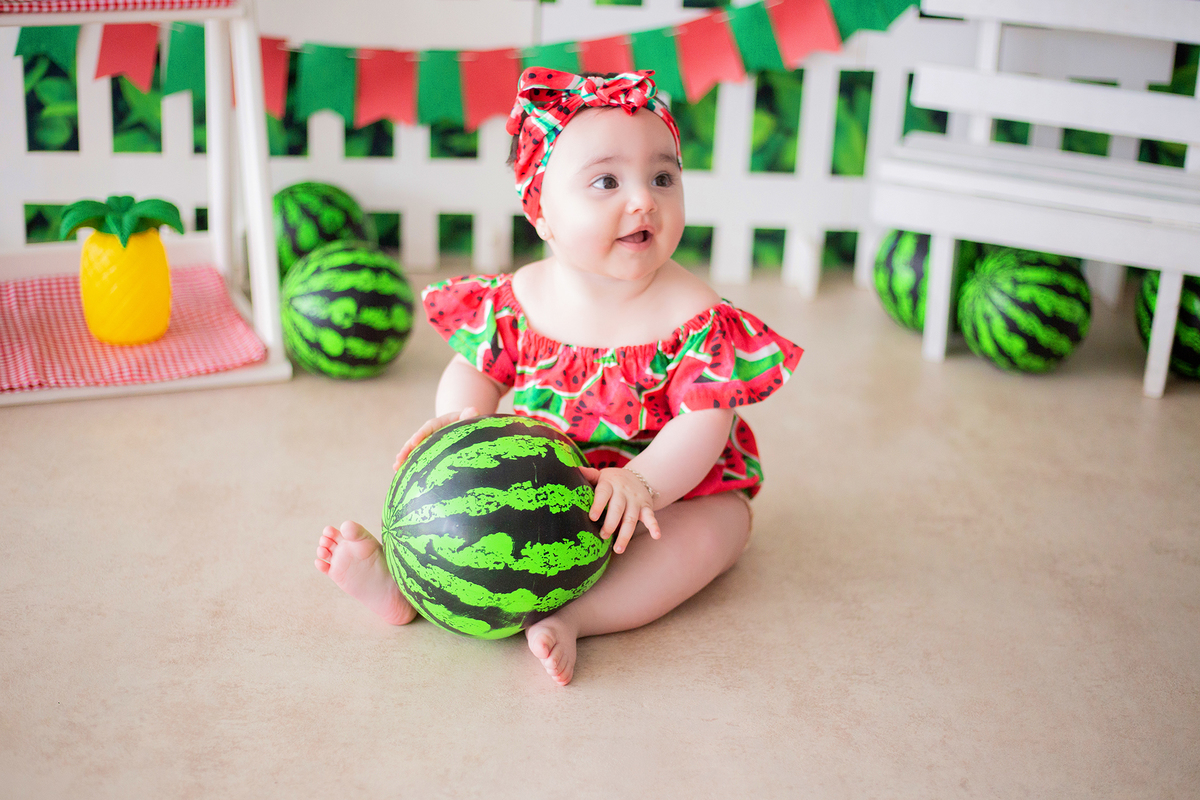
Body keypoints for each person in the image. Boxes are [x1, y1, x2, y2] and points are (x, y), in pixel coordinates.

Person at [316, 69, 803, 686]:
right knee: (456, 513)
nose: (644, 200)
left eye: (663, 177)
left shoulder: (694, 315)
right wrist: (462, 422)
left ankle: (579, 615)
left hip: (663, 495)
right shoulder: (524, 297)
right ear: (541, 210)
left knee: (720, 529)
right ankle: (408, 584)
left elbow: (707, 420)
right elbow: (474, 369)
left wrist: (643, 483)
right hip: (540, 485)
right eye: (607, 181)